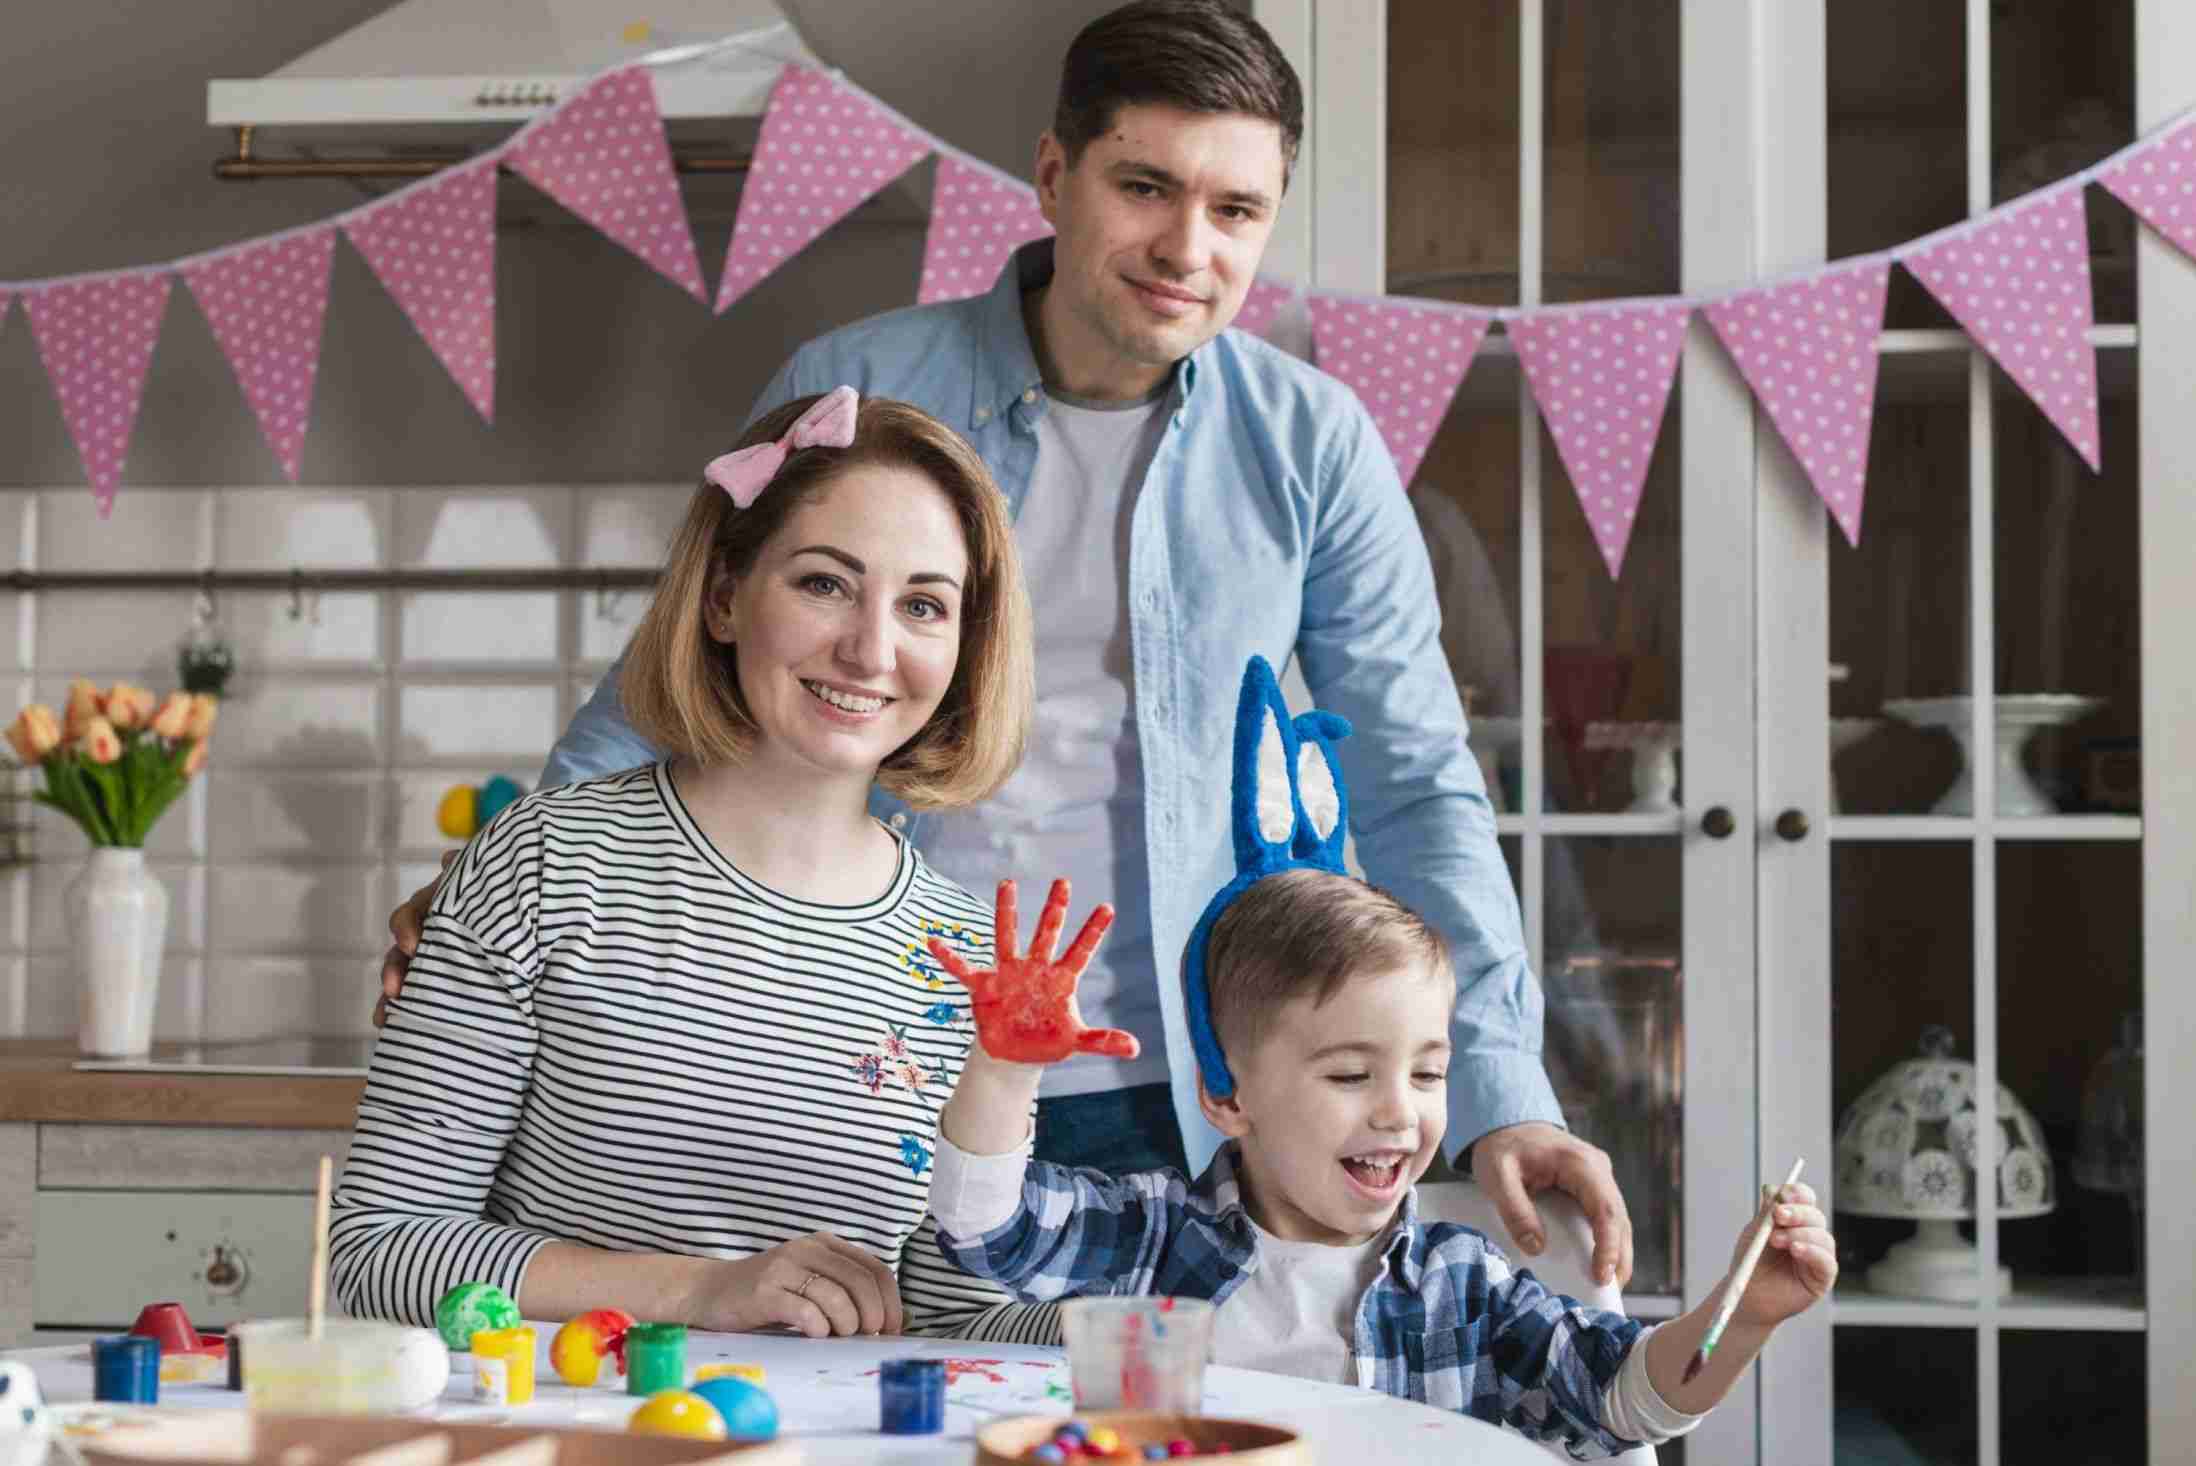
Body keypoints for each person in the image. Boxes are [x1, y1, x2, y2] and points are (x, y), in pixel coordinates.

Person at [380, 0, 1634, 1287]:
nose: (1187, 248)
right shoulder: (868, 385)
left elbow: (1413, 772)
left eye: (1237, 211)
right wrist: (499, 898)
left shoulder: (1313, 443)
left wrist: (1498, 1083)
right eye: (1145, 185)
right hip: (887, 1062)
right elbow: (687, 675)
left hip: (1201, 1095)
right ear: (1053, 174)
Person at [331, 391, 1058, 1342]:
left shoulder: (969, 959)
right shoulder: (544, 864)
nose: (871, 648)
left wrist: (1186, 1328)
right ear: (723, 598)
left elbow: (956, 1317)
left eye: (924, 605)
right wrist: (703, 1292)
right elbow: (381, 1251)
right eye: (824, 584)